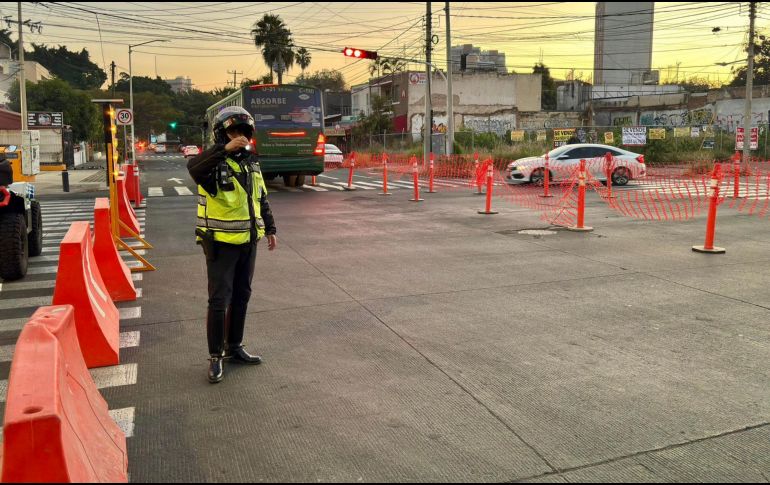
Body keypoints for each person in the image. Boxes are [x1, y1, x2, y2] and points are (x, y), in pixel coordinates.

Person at [186, 106, 277, 384]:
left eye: (243, 132)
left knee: (242, 295)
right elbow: (194, 168)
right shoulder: (212, 164)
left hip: (249, 242)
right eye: (232, 132)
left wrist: (270, 228)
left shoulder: (252, 163)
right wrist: (224, 149)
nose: (239, 137)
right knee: (218, 300)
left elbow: (260, 198)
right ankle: (215, 356)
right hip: (220, 244)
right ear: (221, 134)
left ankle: (234, 346)